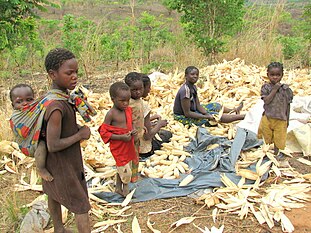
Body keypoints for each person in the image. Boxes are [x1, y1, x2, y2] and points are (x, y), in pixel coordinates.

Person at [43, 48, 91, 233]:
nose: (74, 76)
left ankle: (59, 229)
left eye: (76, 72)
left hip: (55, 163)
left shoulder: (62, 98)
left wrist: (75, 128)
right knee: (81, 205)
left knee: (53, 193)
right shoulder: (57, 106)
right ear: (52, 74)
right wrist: (79, 135)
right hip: (63, 162)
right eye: (69, 73)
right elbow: (53, 144)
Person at [98, 82, 137, 197]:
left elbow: (131, 123)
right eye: (122, 101)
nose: (125, 103)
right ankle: (126, 191)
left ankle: (118, 188)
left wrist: (133, 130)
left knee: (124, 167)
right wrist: (120, 137)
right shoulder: (111, 114)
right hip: (118, 146)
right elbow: (103, 132)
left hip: (128, 144)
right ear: (113, 99)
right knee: (125, 169)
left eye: (128, 100)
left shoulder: (128, 110)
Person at [173, 66, 245, 126]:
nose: (195, 76)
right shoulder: (185, 91)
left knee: (216, 105)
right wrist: (206, 116)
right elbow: (187, 113)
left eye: (197, 74)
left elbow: (198, 105)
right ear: (186, 76)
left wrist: (205, 113)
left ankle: (234, 110)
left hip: (193, 110)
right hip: (183, 117)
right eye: (192, 74)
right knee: (215, 116)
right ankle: (242, 117)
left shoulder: (193, 87)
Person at [9, 84, 53, 182]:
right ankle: (41, 169)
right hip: (28, 145)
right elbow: (21, 132)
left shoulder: (35, 109)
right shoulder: (17, 116)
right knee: (41, 146)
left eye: (29, 100)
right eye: (19, 102)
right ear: (13, 105)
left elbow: (38, 120)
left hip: (38, 137)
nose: (25, 103)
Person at [257, 62, 293, 155]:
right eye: (272, 75)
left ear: (282, 75)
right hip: (268, 117)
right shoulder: (266, 88)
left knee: (279, 138)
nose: (275, 77)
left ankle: (276, 153)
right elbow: (267, 101)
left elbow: (288, 105)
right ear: (267, 75)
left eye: (278, 75)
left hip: (281, 118)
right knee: (267, 136)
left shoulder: (286, 89)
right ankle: (267, 152)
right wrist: (274, 90)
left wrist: (287, 119)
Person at [140, 74, 172, 158]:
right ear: (141, 88)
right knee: (167, 134)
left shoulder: (126, 103)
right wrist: (159, 124)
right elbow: (147, 136)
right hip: (143, 150)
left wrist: (150, 119)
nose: (150, 90)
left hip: (129, 146)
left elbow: (137, 121)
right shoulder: (143, 105)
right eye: (148, 87)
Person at [124, 72, 145, 182]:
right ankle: (129, 176)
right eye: (134, 90)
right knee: (130, 156)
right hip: (130, 135)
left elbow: (139, 116)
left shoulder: (139, 100)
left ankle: (134, 175)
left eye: (140, 89)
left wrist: (143, 126)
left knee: (136, 156)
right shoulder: (128, 103)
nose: (138, 92)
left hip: (138, 134)